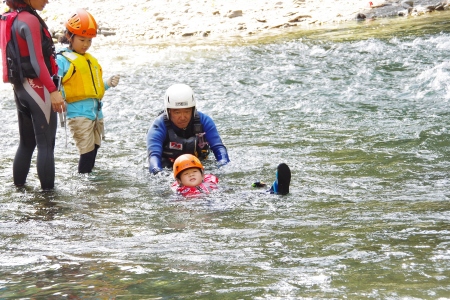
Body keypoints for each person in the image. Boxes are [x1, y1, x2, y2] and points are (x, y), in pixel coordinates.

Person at [2, 0, 66, 190]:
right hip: (38, 90)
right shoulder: (29, 20)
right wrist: (53, 91)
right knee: (46, 145)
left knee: (26, 143)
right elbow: (37, 61)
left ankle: (18, 190)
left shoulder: (7, 17)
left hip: (21, 89)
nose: (47, 0)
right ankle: (48, 203)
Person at [56, 9, 120, 174]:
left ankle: (89, 181)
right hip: (78, 114)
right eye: (82, 39)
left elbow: (94, 88)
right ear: (70, 36)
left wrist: (107, 83)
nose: (85, 44)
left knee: (96, 146)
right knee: (87, 151)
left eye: (89, 41)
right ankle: (84, 184)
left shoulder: (90, 59)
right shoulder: (62, 59)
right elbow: (55, 84)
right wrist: (59, 98)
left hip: (96, 113)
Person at [146, 83, 230, 174]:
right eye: (177, 112)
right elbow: (154, 156)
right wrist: (158, 173)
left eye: (187, 111)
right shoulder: (158, 126)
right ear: (168, 111)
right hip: (169, 167)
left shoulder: (205, 121)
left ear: (193, 110)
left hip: (198, 164)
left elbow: (218, 147)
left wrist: (223, 166)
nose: (182, 117)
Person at [172, 154, 291, 198]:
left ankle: (274, 189)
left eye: (194, 172)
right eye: (186, 174)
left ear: (202, 175)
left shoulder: (209, 182)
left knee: (244, 196)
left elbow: (228, 190)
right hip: (206, 206)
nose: (191, 175)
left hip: (222, 197)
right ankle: (274, 192)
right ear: (179, 180)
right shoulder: (181, 193)